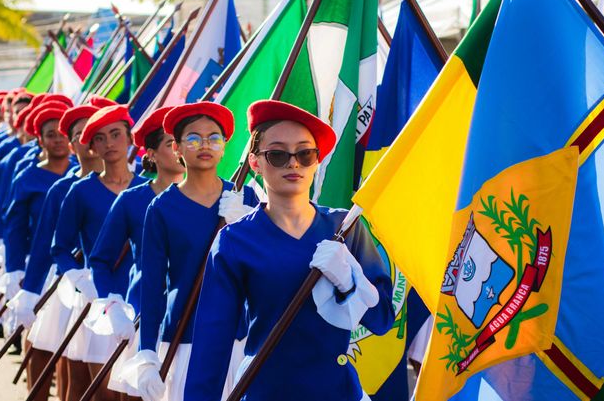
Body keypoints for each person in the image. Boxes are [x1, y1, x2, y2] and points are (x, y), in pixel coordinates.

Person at [183, 100, 395, 401]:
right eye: (278, 154)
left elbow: (383, 319)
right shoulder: (234, 241)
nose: (293, 163)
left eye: (305, 153)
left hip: (339, 393)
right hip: (267, 392)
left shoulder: (345, 227)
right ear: (255, 162)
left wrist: (350, 281)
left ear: (317, 160)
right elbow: (212, 342)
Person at [122, 102, 258, 401]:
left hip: (238, 335)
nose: (205, 145)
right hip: (185, 336)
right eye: (194, 139)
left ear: (224, 147)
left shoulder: (245, 197)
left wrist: (247, 226)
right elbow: (152, 283)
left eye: (214, 138)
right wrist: (147, 350)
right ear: (177, 148)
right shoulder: (161, 208)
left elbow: (264, 268)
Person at [87, 106, 185, 397]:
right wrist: (112, 306)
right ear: (151, 154)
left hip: (194, 312)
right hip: (145, 311)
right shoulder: (132, 200)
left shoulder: (219, 200)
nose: (181, 149)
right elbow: (101, 259)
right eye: (171, 143)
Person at [9, 104, 104, 401]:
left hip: (108, 286)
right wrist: (27, 288)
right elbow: (41, 242)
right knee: (58, 356)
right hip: (64, 280)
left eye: (95, 134)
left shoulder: (128, 184)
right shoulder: (61, 188)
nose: (88, 142)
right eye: (79, 135)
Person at [52, 104, 145, 401]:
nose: (109, 144)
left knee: (137, 393)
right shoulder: (80, 192)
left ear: (130, 138)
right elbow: (60, 248)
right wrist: (80, 277)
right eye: (100, 138)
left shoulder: (149, 191)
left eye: (116, 134)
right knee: (103, 394)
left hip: (143, 300)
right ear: (91, 146)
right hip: (102, 299)